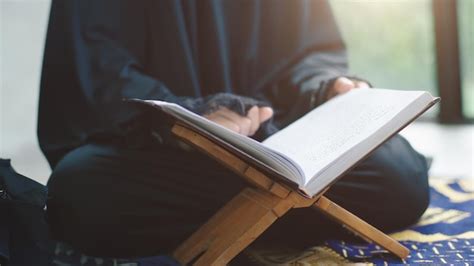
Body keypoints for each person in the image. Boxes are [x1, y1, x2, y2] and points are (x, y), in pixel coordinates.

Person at [39, 0, 430, 258]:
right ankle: (288, 210)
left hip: (280, 138)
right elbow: (99, 71)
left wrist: (328, 85)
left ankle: (248, 214)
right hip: (163, 148)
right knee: (79, 195)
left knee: (401, 177)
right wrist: (198, 115)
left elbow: (307, 54)